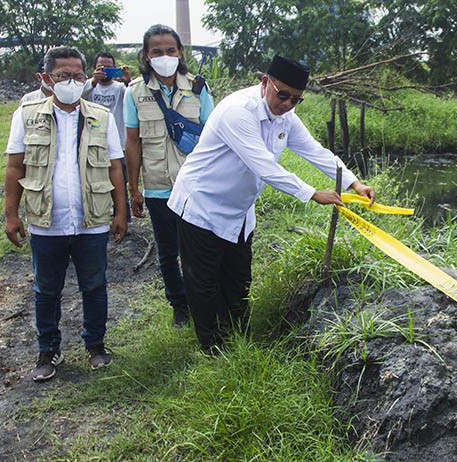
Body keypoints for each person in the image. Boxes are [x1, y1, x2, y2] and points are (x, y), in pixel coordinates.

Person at [168, 54, 375, 353]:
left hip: (238, 211)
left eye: (296, 100)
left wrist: (353, 182)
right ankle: (212, 350)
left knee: (238, 281)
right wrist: (313, 193)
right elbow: (264, 166)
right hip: (202, 205)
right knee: (204, 283)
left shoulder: (285, 116)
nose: (288, 104)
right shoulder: (237, 112)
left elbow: (315, 151)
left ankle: (238, 340)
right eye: (283, 95)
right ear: (265, 82)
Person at [4, 46, 127, 382]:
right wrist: (11, 214)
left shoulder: (100, 117)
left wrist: (121, 212)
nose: (71, 82)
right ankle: (48, 351)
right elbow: (15, 167)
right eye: (63, 76)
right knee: (46, 289)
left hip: (92, 219)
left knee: (95, 285)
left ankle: (96, 345)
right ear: (47, 79)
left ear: (85, 77)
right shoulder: (27, 115)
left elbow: (116, 167)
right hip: (46, 221)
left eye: (77, 76)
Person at [124, 24, 214, 326]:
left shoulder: (198, 88)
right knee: (167, 251)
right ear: (146, 56)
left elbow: (213, 138)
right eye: (157, 51)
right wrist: (133, 188)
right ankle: (179, 306)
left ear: (180, 53)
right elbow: (133, 141)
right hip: (158, 187)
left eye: (170, 50)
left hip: (194, 187)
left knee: (197, 248)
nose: (165, 56)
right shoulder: (134, 92)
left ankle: (201, 300)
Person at [83, 51, 131, 221]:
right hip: (93, 143)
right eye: (101, 67)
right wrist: (93, 81)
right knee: (93, 182)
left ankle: (123, 217)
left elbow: (132, 101)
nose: (105, 71)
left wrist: (128, 81)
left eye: (109, 68)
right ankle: (96, 216)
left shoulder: (120, 89)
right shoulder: (88, 88)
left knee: (119, 184)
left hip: (119, 143)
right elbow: (78, 99)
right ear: (94, 69)